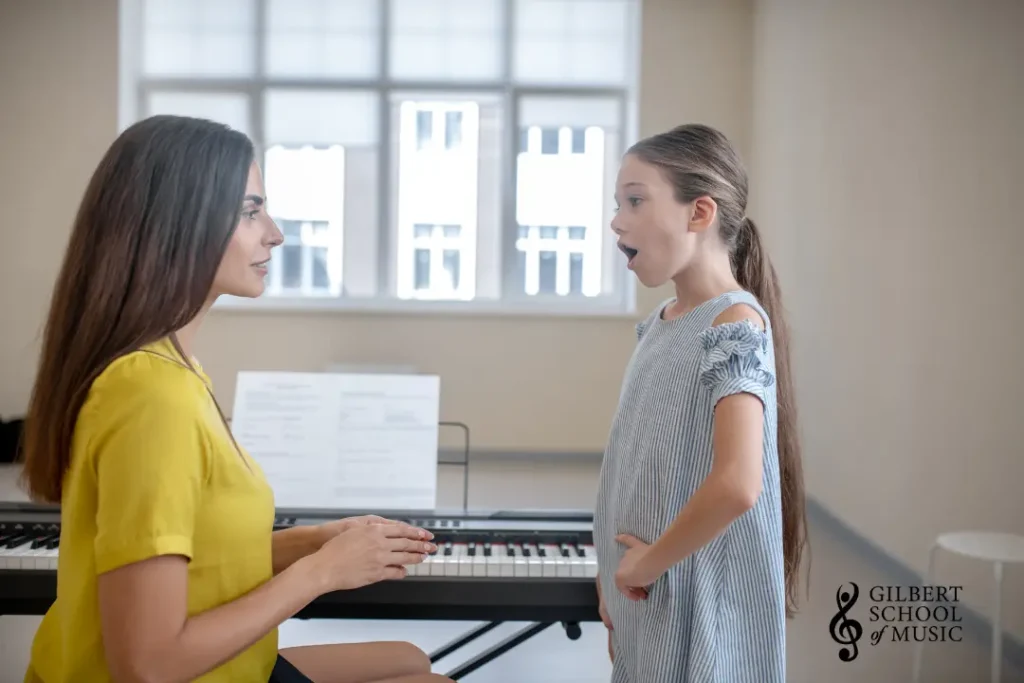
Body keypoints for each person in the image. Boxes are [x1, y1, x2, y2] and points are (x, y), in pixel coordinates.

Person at [18, 115, 453, 683]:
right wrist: (319, 573)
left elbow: (195, 557)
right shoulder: (153, 397)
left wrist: (310, 542)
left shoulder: (171, 368)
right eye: (251, 212)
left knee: (410, 660)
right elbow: (146, 665)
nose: (275, 232)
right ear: (180, 225)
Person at [592, 123, 809, 682]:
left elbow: (738, 483)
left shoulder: (735, 324)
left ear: (699, 213)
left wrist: (647, 560)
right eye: (618, 203)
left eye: (635, 200)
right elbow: (627, 464)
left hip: (699, 600)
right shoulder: (659, 327)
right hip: (649, 594)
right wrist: (612, 577)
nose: (617, 220)